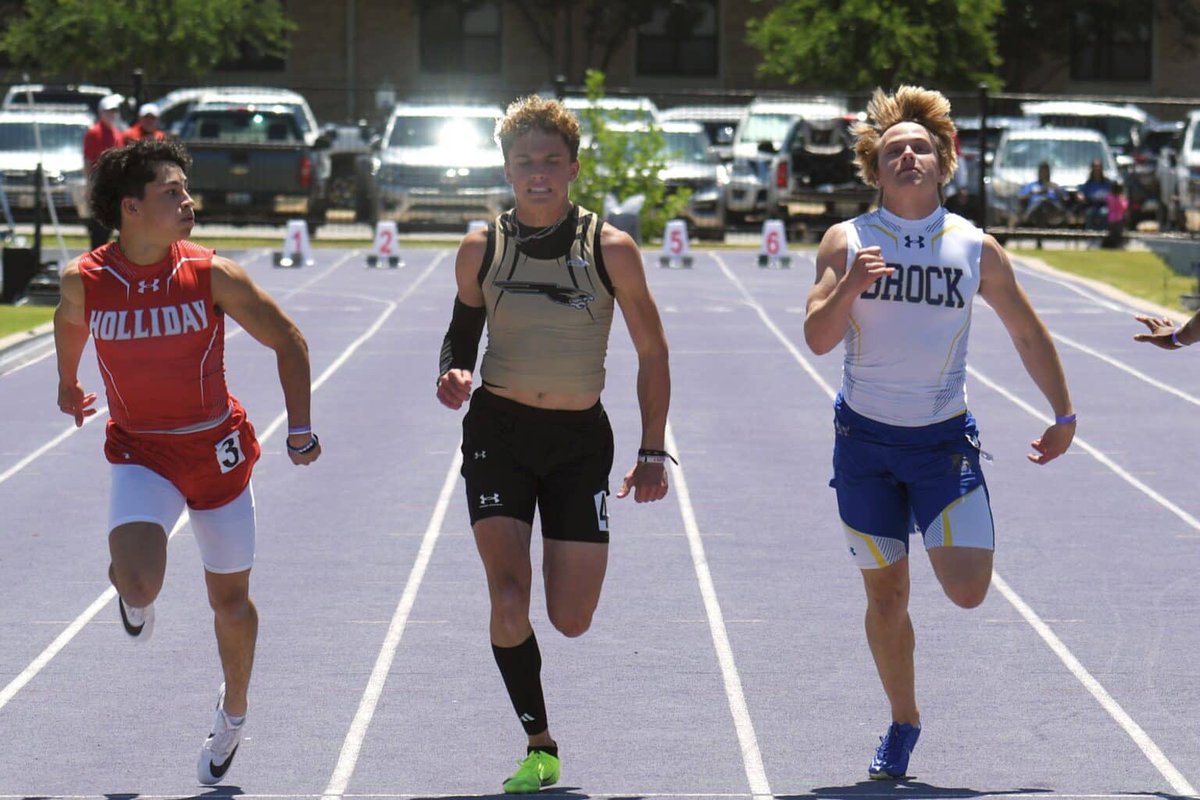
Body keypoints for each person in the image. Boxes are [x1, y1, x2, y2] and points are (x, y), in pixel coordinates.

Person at [803, 85, 1075, 780]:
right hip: (863, 444)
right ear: (876, 170)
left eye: (920, 147)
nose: (908, 157)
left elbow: (1024, 329)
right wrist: (849, 288)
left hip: (941, 443)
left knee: (966, 589)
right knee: (886, 597)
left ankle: (938, 515)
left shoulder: (975, 246)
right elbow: (815, 336)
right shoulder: (848, 240)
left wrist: (1063, 412)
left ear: (944, 159)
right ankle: (903, 720)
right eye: (894, 151)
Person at [53, 138, 321, 785]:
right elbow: (69, 324)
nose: (188, 201)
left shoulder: (209, 273)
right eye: (172, 192)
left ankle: (232, 711)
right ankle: (131, 591)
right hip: (141, 450)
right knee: (141, 582)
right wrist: (68, 384)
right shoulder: (86, 280)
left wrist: (301, 429)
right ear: (131, 207)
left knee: (230, 601)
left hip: (215, 452)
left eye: (185, 189)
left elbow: (288, 339)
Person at [434, 95, 671, 794]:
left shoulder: (611, 248)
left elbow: (653, 352)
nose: (537, 174)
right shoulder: (482, 247)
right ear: (506, 170)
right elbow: (461, 331)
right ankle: (540, 743)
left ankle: (543, 713)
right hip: (499, 434)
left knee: (570, 618)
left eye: (549, 162)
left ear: (572, 167)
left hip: (577, 443)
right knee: (508, 598)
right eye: (523, 162)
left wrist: (652, 449)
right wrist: (452, 370)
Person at [83, 94, 126, 250]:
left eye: (114, 112)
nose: (112, 115)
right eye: (108, 112)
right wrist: (90, 186)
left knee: (112, 227)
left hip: (114, 187)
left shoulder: (117, 133)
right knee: (99, 230)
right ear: (101, 113)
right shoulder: (94, 133)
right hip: (100, 185)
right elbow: (88, 160)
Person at [1017, 160, 1070, 227]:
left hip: (1052, 210)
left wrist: (1056, 189)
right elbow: (1020, 197)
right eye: (1042, 171)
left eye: (1046, 171)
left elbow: (1066, 198)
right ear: (1038, 173)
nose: (1044, 174)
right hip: (1034, 211)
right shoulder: (1031, 186)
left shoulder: (1055, 186)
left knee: (1045, 201)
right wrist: (1033, 193)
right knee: (1040, 203)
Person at [1078, 159, 1113, 230]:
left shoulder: (1107, 183)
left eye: (1099, 167)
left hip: (1104, 205)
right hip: (1092, 205)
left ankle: (1104, 234)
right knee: (1090, 213)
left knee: (1104, 213)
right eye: (1095, 167)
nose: (1097, 169)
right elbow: (1081, 192)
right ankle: (1090, 234)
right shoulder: (1089, 183)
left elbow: (1114, 193)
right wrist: (1080, 196)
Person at [1102, 180, 1129, 248]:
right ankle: (1115, 245)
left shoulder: (1110, 197)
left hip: (1112, 218)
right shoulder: (1120, 198)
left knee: (1113, 233)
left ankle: (1112, 245)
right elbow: (1124, 207)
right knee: (1117, 233)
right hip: (1118, 218)